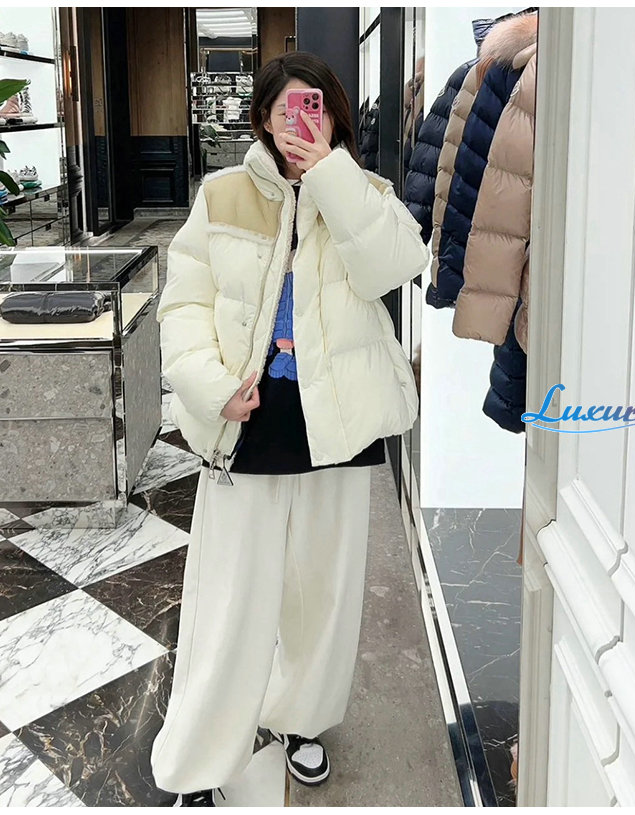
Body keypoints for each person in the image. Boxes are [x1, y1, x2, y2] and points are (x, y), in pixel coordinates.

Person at [150, 52, 429, 806]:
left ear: (334, 114)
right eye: (287, 108)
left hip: (339, 424)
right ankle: (201, 757)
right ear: (263, 119)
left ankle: (303, 720)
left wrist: (332, 174)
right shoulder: (222, 195)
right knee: (229, 602)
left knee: (322, 598)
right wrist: (211, 388)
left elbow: (396, 267)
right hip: (249, 421)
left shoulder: (363, 193)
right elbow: (184, 306)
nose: (301, 120)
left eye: (316, 106)